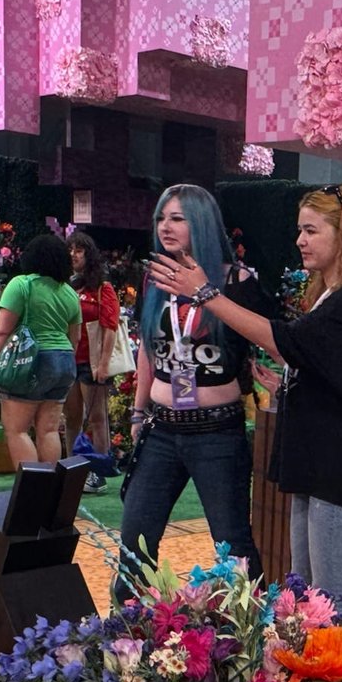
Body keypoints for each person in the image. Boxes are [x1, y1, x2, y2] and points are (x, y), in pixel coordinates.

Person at [152, 184, 342, 622]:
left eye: (312, 231)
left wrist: (206, 293)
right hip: (315, 467)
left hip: (336, 471)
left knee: (333, 602)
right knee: (306, 597)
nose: (300, 241)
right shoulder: (328, 298)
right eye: (300, 230)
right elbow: (324, 370)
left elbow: (283, 338)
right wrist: (285, 386)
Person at [115, 185, 271, 602]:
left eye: (177, 218)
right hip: (161, 429)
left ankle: (250, 645)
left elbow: (272, 341)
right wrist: (137, 411)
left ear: (201, 222)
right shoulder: (155, 279)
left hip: (217, 432)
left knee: (234, 545)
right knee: (134, 547)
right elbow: (148, 347)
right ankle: (124, 650)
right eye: (161, 218)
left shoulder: (238, 281)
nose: (165, 226)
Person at [0, 234, 82, 465]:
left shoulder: (21, 285)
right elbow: (76, 338)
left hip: (31, 361)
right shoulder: (69, 293)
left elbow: (2, 330)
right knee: (49, 430)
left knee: (17, 430)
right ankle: (48, 492)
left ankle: (30, 494)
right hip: (64, 362)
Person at [63, 231, 121, 494]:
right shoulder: (68, 286)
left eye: (79, 250)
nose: (74, 255)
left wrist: (104, 364)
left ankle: (99, 473)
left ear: (89, 254)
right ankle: (73, 470)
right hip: (70, 360)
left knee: (97, 419)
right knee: (71, 418)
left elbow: (110, 327)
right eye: (71, 250)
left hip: (93, 362)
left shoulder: (103, 288)